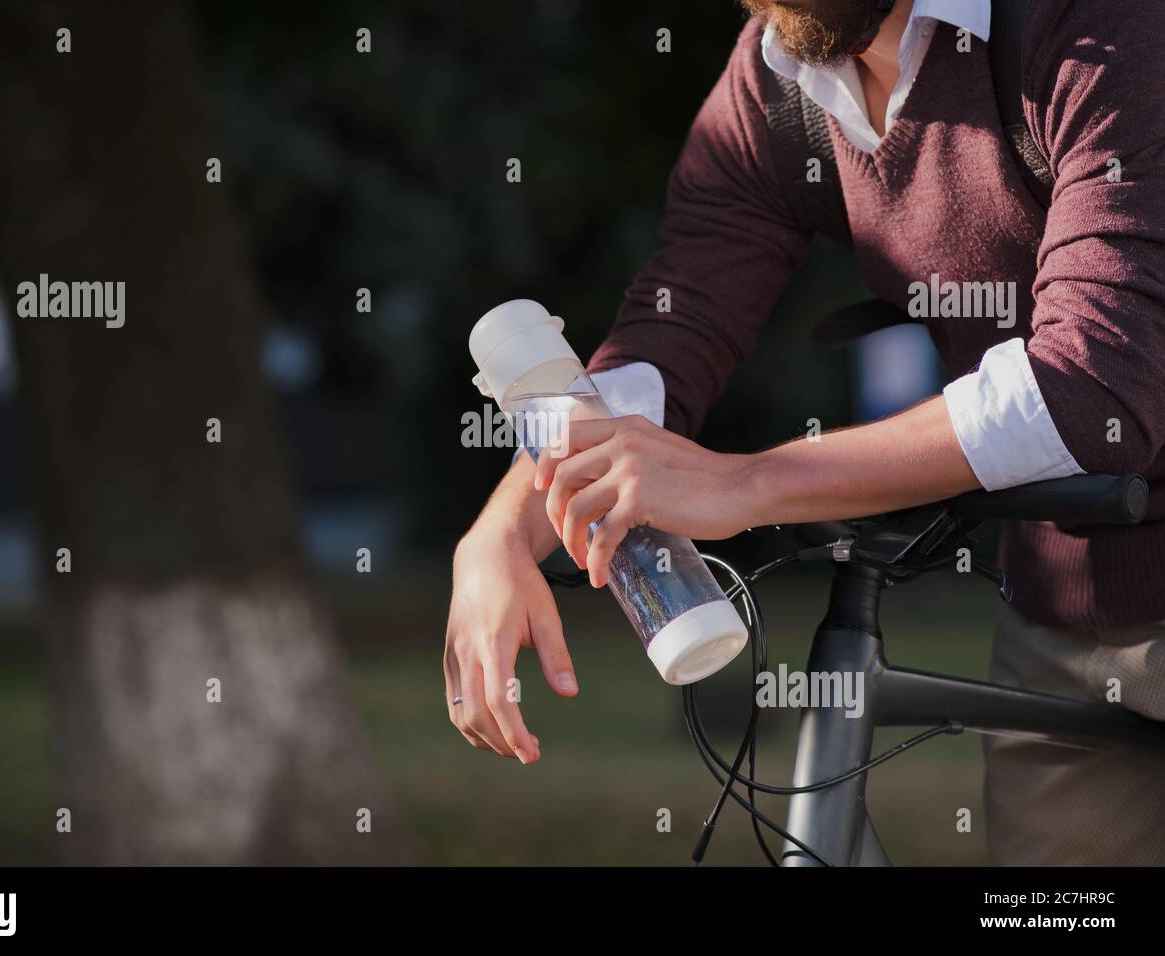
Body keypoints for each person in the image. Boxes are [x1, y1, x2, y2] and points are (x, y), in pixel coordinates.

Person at [444, 0, 1165, 865]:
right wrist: (505, 528)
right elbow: (672, 334)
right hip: (1064, 617)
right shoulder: (780, 71)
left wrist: (743, 484)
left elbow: (1090, 391)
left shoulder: (1100, 27)